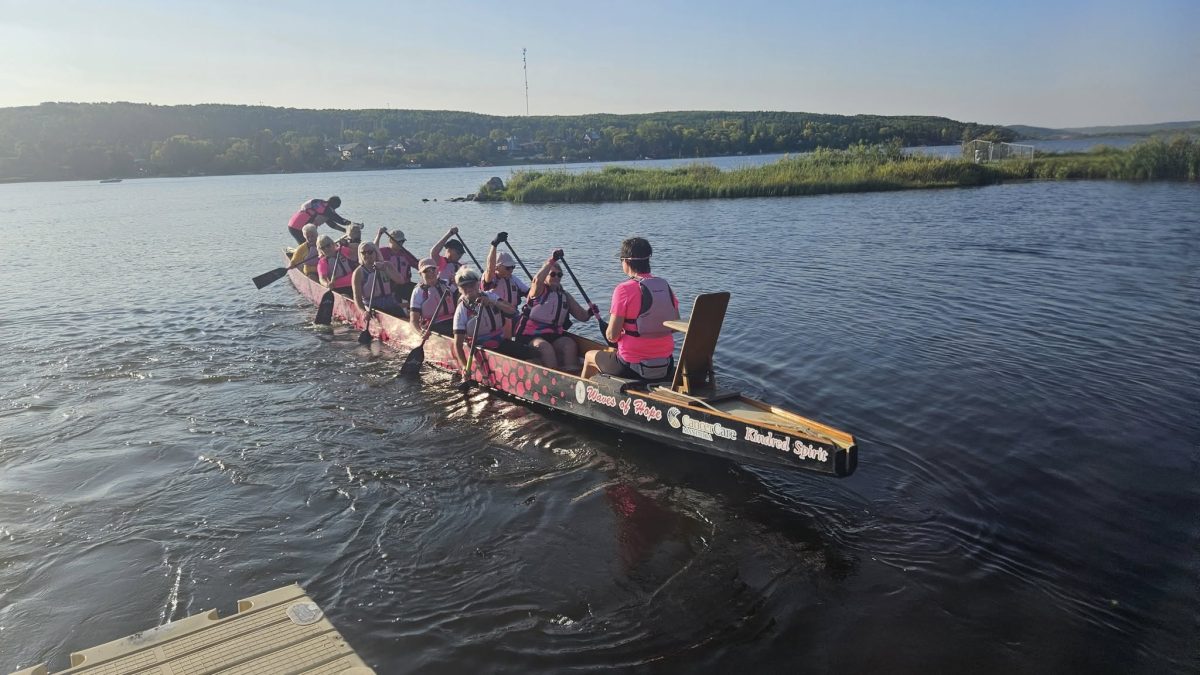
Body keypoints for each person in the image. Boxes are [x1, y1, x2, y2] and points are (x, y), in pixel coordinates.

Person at [581, 237, 679, 381]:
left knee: (589, 356)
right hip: (666, 364)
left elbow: (612, 336)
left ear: (626, 261)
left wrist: (620, 334)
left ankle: (582, 396)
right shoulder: (664, 286)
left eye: (621, 260)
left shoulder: (623, 289)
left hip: (632, 367)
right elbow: (675, 325)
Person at [517, 250, 594, 370]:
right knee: (545, 347)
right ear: (546, 276)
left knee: (569, 344)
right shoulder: (537, 291)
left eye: (559, 275)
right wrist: (551, 260)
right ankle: (553, 377)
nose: (556, 277)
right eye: (552, 274)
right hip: (531, 336)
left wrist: (590, 312)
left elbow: (582, 316)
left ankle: (571, 375)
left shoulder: (564, 295)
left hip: (553, 335)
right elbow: (537, 281)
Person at [452, 267, 517, 374]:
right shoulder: (462, 310)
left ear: (478, 284)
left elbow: (512, 311)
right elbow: (458, 344)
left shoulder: (491, 296)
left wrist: (492, 302)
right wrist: (464, 367)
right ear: (459, 288)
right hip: (479, 347)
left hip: (499, 341)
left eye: (471, 284)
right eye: (464, 286)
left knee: (532, 354)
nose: (468, 289)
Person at [482, 232, 529, 338]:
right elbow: (490, 266)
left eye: (512, 267)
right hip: (493, 316)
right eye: (508, 268)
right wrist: (494, 244)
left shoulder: (514, 279)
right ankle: (508, 348)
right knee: (507, 322)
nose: (511, 270)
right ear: (497, 267)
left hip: (512, 314)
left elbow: (531, 294)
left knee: (529, 321)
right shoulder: (490, 278)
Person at [351, 242, 408, 317]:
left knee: (403, 319)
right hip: (372, 305)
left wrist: (385, 270)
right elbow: (357, 297)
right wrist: (363, 312)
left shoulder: (387, 265)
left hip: (390, 302)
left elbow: (401, 281)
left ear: (376, 252)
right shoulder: (358, 273)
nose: (367, 255)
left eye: (370, 252)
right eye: (363, 253)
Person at [375, 226, 419, 307]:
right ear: (391, 240)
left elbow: (418, 265)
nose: (401, 244)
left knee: (418, 292)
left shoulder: (405, 253)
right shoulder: (383, 252)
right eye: (399, 241)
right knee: (395, 300)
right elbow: (374, 250)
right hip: (390, 285)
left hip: (405, 284)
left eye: (402, 241)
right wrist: (379, 235)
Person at [409, 258, 456, 336]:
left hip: (452, 320)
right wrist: (420, 333)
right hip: (433, 325)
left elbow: (463, 296)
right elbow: (413, 320)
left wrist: (458, 282)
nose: (430, 273)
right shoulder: (418, 291)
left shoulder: (447, 283)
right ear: (420, 274)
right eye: (426, 271)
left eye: (433, 270)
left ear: (437, 271)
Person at [287, 196, 352, 244]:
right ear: (334, 205)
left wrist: (345, 230)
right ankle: (305, 259)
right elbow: (340, 220)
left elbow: (332, 224)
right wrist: (353, 225)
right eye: (336, 207)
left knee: (310, 243)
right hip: (298, 228)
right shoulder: (326, 209)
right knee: (309, 245)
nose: (334, 210)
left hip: (292, 225)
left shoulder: (322, 207)